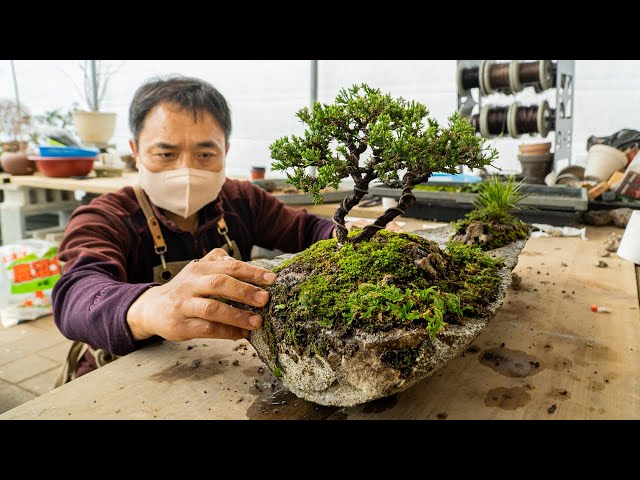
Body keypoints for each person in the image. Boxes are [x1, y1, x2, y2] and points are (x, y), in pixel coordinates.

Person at [52, 75, 399, 385]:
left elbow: (303, 229)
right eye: (166, 154)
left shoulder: (242, 200)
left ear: (226, 151)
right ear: (135, 151)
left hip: (222, 370)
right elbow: (75, 294)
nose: (186, 169)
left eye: (205, 155)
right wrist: (149, 305)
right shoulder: (105, 217)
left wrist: (346, 231)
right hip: (123, 376)